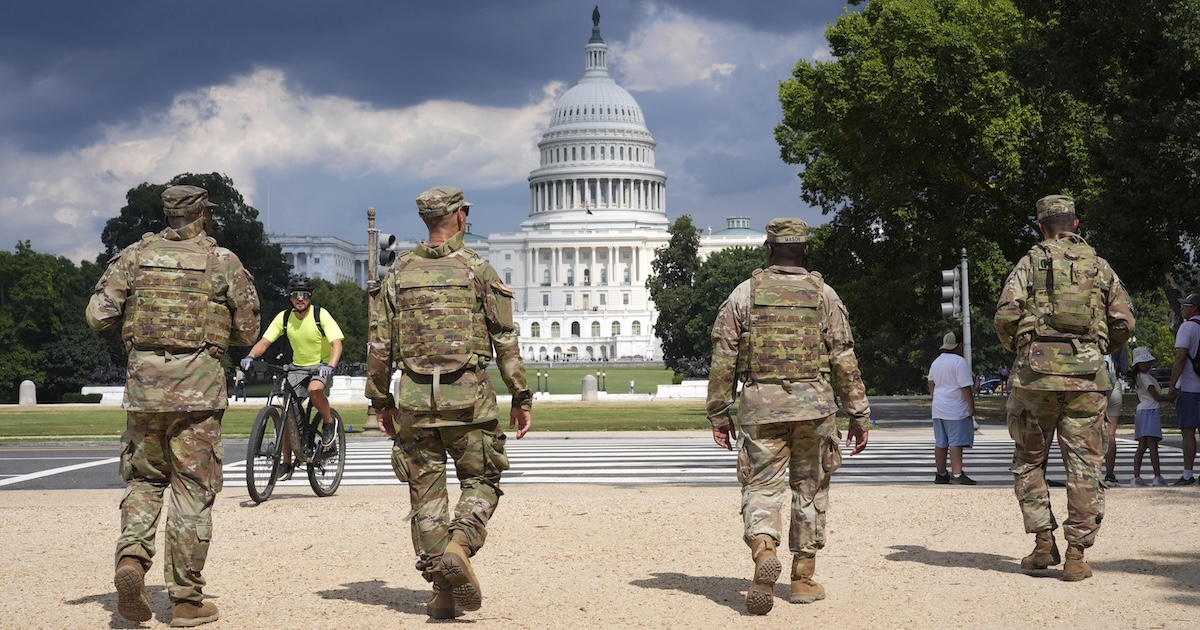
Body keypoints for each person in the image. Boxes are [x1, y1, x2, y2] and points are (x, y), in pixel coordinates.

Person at [86, 184, 260, 626]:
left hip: (145, 391)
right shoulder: (222, 262)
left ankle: (131, 559)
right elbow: (246, 330)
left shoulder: (133, 257)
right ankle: (185, 599)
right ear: (204, 214)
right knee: (192, 491)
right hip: (198, 392)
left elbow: (97, 316)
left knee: (144, 481)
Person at [366, 185, 532, 620]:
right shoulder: (478, 269)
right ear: (459, 217)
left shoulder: (398, 274)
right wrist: (520, 395)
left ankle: (441, 590)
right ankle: (460, 545)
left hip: (415, 400)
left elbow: (379, 344)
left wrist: (381, 401)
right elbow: (504, 340)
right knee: (482, 481)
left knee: (425, 496)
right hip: (468, 400)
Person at [706, 217, 870, 615]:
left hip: (760, 403)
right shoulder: (824, 295)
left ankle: (764, 547)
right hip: (813, 404)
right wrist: (859, 414)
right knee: (809, 488)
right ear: (806, 250)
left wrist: (718, 412)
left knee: (762, 486)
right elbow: (844, 358)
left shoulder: (745, 294)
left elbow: (724, 356)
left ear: (768, 249)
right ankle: (802, 577)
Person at [994, 194, 1134, 582]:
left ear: (1042, 227)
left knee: (1029, 461)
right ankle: (1076, 555)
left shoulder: (1029, 263)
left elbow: (1006, 315)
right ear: (1075, 224)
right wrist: (1096, 348)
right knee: (1086, 466)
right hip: (1087, 379)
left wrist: (1023, 348)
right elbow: (1123, 322)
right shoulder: (1101, 267)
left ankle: (1043, 545)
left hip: (1034, 380)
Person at [241, 276, 344, 481]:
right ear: (290, 297)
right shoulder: (284, 318)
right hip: (297, 368)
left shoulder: (320, 315)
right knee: (287, 413)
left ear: (310, 297)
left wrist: (329, 366)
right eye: (296, 295)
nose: (300, 299)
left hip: (321, 366)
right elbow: (265, 341)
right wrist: (251, 356)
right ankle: (286, 463)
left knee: (315, 390)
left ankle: (329, 422)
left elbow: (337, 344)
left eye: (304, 295)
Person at [927, 331, 977, 485]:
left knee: (941, 442)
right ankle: (957, 473)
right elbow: (966, 386)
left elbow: (931, 382)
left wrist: (935, 397)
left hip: (938, 407)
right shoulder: (959, 362)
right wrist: (971, 406)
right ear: (960, 346)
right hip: (956, 408)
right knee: (956, 442)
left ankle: (941, 473)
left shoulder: (937, 361)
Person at [1167, 292, 1200, 485]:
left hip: (1189, 386)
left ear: (1193, 308)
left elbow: (1181, 357)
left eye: (1185, 305)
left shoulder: (1187, 327)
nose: (1181, 308)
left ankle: (1188, 473)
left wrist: (1172, 385)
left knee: (1188, 431)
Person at [1128, 347, 1171, 486]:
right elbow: (1156, 396)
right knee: (1152, 445)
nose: (1147, 365)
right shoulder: (1146, 377)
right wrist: (1170, 397)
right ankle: (1157, 476)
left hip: (1142, 410)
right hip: (1150, 410)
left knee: (1142, 445)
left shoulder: (1138, 377)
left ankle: (1136, 476)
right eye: (1144, 362)